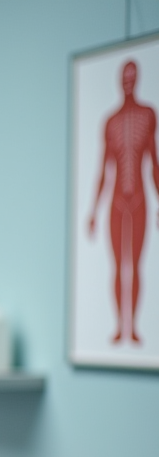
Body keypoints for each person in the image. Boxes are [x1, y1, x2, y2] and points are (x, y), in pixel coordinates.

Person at [88, 58, 158, 346]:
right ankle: (120, 325)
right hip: (117, 202)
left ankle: (134, 327)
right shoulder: (111, 122)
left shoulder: (148, 115)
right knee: (118, 266)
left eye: (133, 77)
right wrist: (93, 210)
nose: (128, 83)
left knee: (136, 265)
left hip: (139, 199)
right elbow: (104, 169)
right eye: (124, 77)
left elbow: (154, 163)